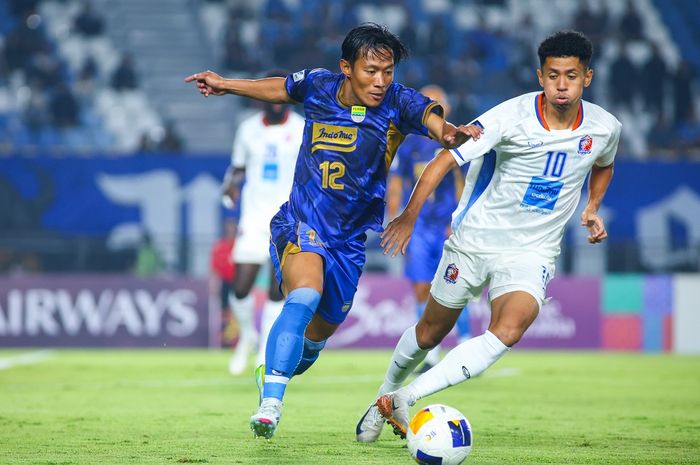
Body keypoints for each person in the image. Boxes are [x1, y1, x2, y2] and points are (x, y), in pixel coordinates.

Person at [185, 23, 480, 440]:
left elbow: (431, 118)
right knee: (303, 294)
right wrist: (225, 85)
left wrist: (450, 134)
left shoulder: (397, 102)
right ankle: (271, 403)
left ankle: (272, 369)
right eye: (370, 70)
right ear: (346, 67)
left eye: (388, 71)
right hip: (302, 223)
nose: (380, 81)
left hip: (348, 242)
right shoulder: (319, 87)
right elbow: (280, 88)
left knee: (313, 343)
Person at [356, 30, 621, 442]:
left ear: (588, 77)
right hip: (474, 241)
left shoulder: (606, 127)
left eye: (571, 75)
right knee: (429, 333)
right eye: (553, 76)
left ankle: (405, 397)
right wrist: (409, 215)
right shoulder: (508, 117)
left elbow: (604, 161)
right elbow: (445, 159)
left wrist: (592, 208)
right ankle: (382, 396)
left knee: (510, 328)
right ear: (540, 76)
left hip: (533, 251)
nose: (562, 85)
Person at [220, 70, 305, 376]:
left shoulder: (302, 129)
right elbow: (238, 168)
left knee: (275, 289)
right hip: (253, 217)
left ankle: (265, 353)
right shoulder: (247, 130)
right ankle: (247, 335)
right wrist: (231, 184)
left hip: (287, 218)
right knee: (240, 287)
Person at [387, 84, 471, 374]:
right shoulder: (409, 144)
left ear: (446, 108)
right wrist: (395, 215)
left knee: (455, 284)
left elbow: (465, 185)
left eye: (440, 102)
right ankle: (431, 351)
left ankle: (466, 342)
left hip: (447, 223)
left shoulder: (457, 142)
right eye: (430, 102)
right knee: (422, 287)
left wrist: (459, 221)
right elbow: (397, 181)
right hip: (420, 226)